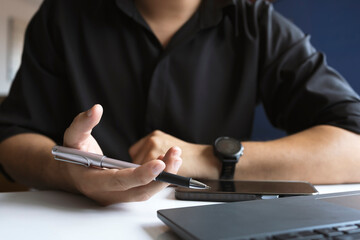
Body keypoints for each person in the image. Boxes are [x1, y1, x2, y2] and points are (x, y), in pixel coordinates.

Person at [1, 0, 360, 205]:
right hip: (78, 223)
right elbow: (11, 140)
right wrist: (71, 176)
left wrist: (205, 158)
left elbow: (354, 144)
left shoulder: (256, 22)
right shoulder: (63, 13)